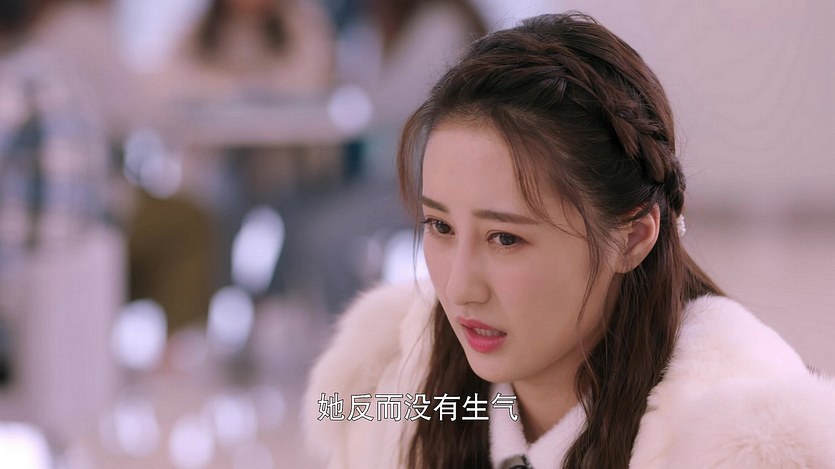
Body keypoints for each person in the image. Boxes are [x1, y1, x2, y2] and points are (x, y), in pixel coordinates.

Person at [304, 12, 835, 469]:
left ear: (632, 237)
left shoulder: (736, 440)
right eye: (440, 227)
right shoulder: (396, 386)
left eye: (505, 238)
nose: (460, 288)